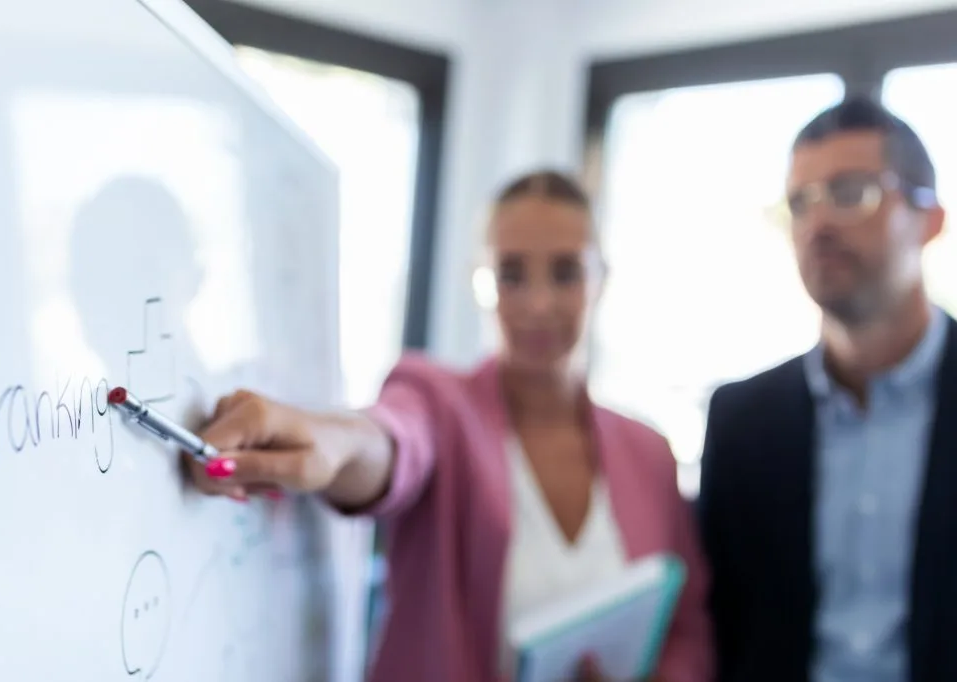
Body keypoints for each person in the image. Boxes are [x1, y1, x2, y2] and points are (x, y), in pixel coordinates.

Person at [186, 170, 713, 682]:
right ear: (480, 281)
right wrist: (331, 440)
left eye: (565, 272)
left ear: (600, 278)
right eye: (511, 274)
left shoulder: (649, 453)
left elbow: (687, 629)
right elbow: (393, 440)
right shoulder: (440, 403)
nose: (538, 303)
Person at [698, 95, 957, 682]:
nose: (818, 224)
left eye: (851, 193)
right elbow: (722, 626)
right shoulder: (742, 420)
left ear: (930, 218)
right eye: (800, 202)